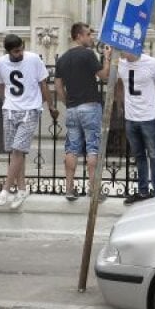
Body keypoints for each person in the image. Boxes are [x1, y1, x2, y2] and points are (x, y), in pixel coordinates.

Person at [0, 34, 58, 210]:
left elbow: (43, 84)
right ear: (8, 52)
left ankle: (6, 190)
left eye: (21, 48)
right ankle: (22, 189)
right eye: (16, 51)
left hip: (30, 109)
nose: (20, 53)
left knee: (17, 149)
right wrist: (4, 103)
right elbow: (0, 86)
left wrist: (51, 106)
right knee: (16, 152)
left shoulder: (33, 59)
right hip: (10, 108)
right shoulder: (1, 63)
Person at [54, 23, 111, 202]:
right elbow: (104, 76)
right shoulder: (88, 54)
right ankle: (93, 189)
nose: (91, 38)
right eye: (88, 34)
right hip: (90, 106)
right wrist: (107, 58)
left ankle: (69, 188)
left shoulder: (62, 58)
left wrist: (67, 102)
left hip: (72, 108)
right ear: (78, 36)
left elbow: (58, 86)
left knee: (72, 148)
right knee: (93, 147)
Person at [117, 49, 155, 204]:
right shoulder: (120, 64)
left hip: (148, 117)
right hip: (130, 117)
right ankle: (143, 191)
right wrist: (119, 104)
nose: (121, 52)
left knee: (154, 155)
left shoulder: (151, 63)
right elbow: (119, 85)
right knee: (139, 156)